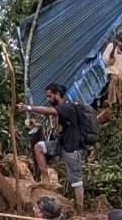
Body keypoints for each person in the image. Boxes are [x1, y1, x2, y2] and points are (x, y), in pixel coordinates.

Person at [19, 83, 86, 213]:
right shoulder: (61, 107)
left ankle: (80, 212)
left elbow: (50, 111)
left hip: (72, 147)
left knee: (76, 181)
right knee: (39, 147)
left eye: (50, 96)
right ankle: (46, 181)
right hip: (61, 144)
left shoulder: (67, 106)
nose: (48, 99)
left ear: (57, 95)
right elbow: (50, 115)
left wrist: (28, 107)